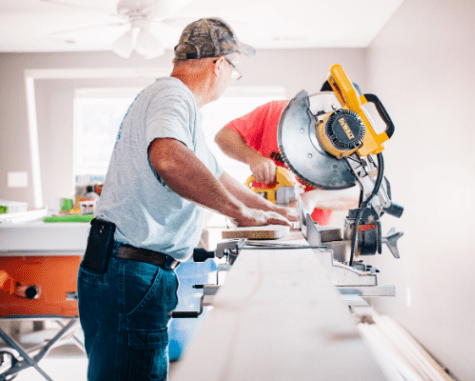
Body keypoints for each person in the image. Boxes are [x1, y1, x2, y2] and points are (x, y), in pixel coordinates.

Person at [77, 18, 297, 381]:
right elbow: (167, 158)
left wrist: (270, 210)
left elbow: (218, 175)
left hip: (126, 268)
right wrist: (240, 214)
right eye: (233, 71)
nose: (229, 79)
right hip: (131, 271)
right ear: (219, 65)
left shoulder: (177, 106)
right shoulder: (173, 95)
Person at [214, 81, 361, 226]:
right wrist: (254, 158)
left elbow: (360, 193)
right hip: (260, 221)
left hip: (311, 230)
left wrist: (312, 198)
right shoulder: (276, 111)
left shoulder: (353, 143)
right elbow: (224, 136)